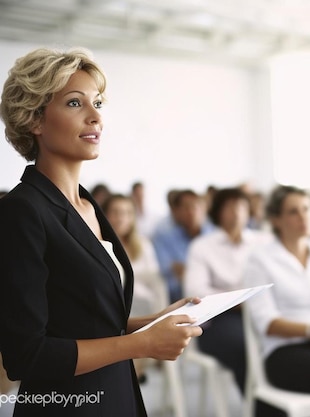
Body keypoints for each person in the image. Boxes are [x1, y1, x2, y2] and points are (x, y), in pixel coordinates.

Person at [0, 47, 202, 416]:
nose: (96, 117)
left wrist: (154, 322)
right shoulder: (21, 211)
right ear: (35, 120)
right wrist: (141, 345)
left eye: (98, 103)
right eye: (76, 104)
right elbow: (26, 354)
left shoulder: (88, 206)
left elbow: (81, 315)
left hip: (114, 391)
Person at [242, 185, 310, 417]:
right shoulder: (260, 260)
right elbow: (267, 323)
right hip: (285, 352)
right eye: (293, 211)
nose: (303, 216)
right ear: (276, 219)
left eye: (307, 209)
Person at [184, 187, 271, 394]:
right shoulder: (202, 246)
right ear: (218, 212)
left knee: (279, 345)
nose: (237, 212)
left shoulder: (264, 241)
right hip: (220, 317)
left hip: (260, 311)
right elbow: (196, 291)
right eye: (230, 207)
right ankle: (257, 406)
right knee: (244, 348)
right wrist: (240, 298)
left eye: (241, 206)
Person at [102, 194, 168, 382]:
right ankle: (133, 367)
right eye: (115, 212)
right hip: (115, 303)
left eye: (127, 213)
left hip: (142, 303)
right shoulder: (99, 245)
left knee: (141, 304)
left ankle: (134, 366)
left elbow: (153, 280)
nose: (121, 217)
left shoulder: (144, 245)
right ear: (105, 214)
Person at [152, 189, 212, 302]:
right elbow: (167, 269)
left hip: (213, 294)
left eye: (196, 206)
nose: (192, 212)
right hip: (178, 296)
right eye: (186, 207)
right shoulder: (163, 237)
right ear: (176, 212)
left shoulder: (214, 234)